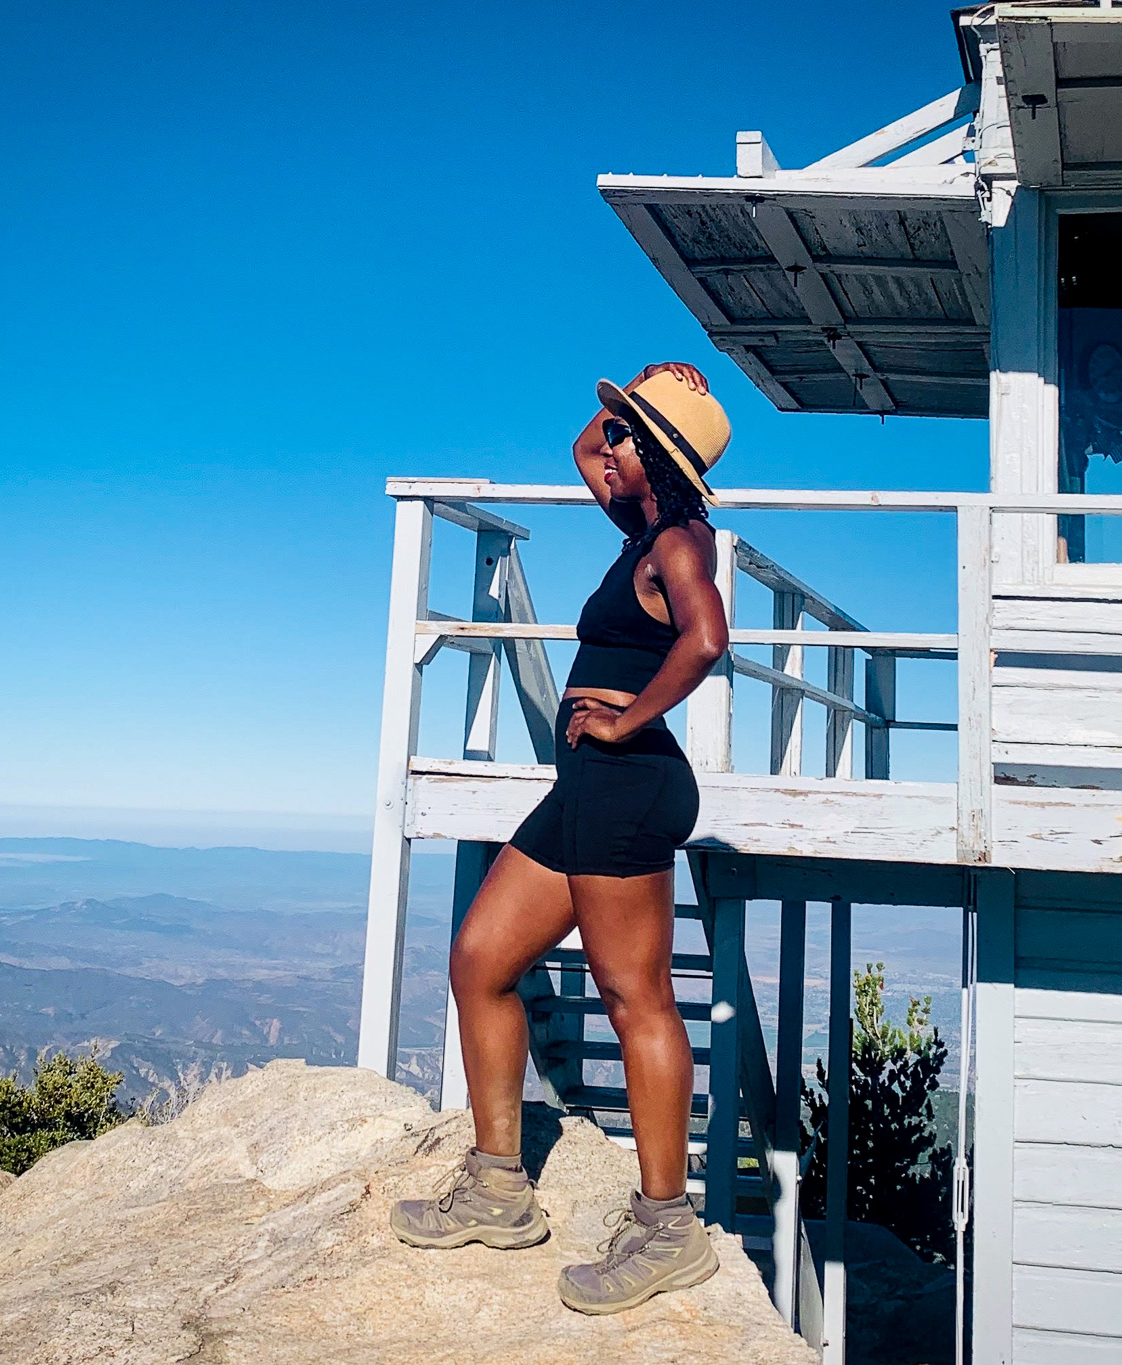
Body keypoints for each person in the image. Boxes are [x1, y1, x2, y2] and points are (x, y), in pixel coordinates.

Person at [390, 361, 733, 1315]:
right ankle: (499, 1187)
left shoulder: (680, 543)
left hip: (626, 781)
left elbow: (706, 639)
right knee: (480, 957)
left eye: (629, 436)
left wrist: (626, 720)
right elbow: (580, 448)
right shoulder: (638, 532)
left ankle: (669, 1228)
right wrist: (634, 400)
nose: (608, 448)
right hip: (584, 786)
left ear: (657, 456)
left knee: (635, 999)